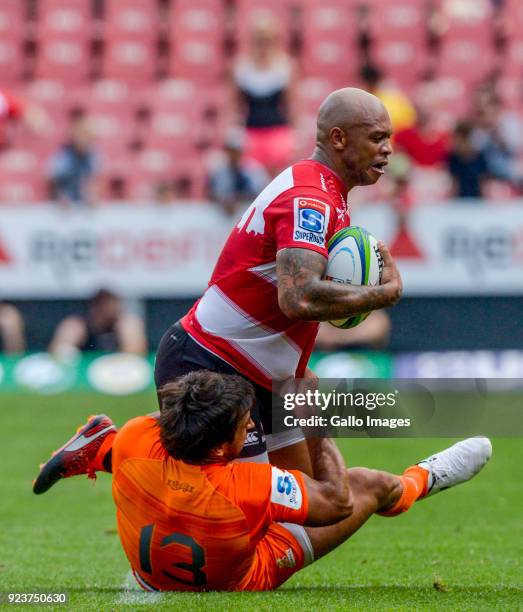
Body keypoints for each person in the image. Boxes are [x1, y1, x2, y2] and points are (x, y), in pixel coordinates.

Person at [32, 371, 492, 592]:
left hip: (155, 564)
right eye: (244, 426)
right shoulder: (252, 485)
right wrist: (315, 419)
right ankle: (419, 481)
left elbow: (160, 433)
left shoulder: (136, 437)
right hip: (247, 572)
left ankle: (97, 446)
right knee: (365, 485)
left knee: (129, 461)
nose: (251, 427)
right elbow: (336, 502)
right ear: (219, 447)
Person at [153, 87, 401, 473]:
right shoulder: (311, 198)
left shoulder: (324, 190)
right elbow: (298, 298)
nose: (387, 150)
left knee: (324, 502)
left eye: (388, 139)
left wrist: (299, 374)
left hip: (269, 378)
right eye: (376, 138)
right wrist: (380, 295)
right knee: (244, 516)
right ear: (338, 138)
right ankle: (111, 448)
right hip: (213, 364)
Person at [233, 13, 297, 175]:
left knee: (278, 175)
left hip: (278, 132)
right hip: (251, 132)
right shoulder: (241, 67)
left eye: (266, 39)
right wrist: (234, 133)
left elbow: (292, 106)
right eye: (259, 39)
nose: (263, 44)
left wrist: (294, 134)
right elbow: (235, 107)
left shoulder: (285, 66)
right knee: (252, 175)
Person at [49, 289, 147, 358]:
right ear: (93, 308)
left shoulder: (125, 325)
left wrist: (129, 334)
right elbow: (57, 355)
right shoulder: (78, 326)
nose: (106, 311)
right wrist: (67, 347)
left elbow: (137, 356)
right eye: (102, 306)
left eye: (110, 306)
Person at [208, 128, 270, 215]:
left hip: (249, 215)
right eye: (231, 150)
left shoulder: (254, 170)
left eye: (237, 151)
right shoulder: (218, 171)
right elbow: (213, 193)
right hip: (224, 217)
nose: (234, 154)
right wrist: (224, 202)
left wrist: (237, 199)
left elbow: (261, 194)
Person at [47, 115, 99, 206]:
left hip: (83, 204)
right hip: (64, 206)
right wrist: (61, 196)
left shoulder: (94, 156)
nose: (84, 140)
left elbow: (95, 180)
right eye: (81, 135)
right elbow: (53, 180)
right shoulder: (63, 157)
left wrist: (92, 195)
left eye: (88, 136)